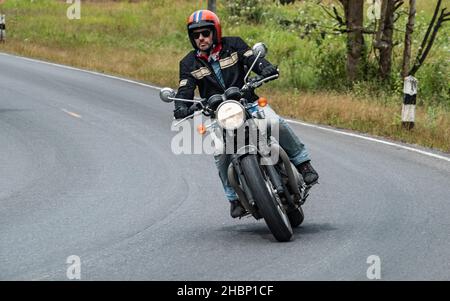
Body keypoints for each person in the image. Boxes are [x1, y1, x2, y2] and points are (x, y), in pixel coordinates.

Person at [173, 9, 319, 218]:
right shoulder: (188, 63)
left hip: (247, 102)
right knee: (220, 153)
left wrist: (266, 68)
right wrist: (181, 106)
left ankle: (303, 164)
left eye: (205, 33)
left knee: (274, 123)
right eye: (196, 35)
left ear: (215, 32)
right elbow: (185, 88)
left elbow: (253, 60)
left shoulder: (234, 45)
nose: (201, 38)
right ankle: (233, 198)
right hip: (219, 114)